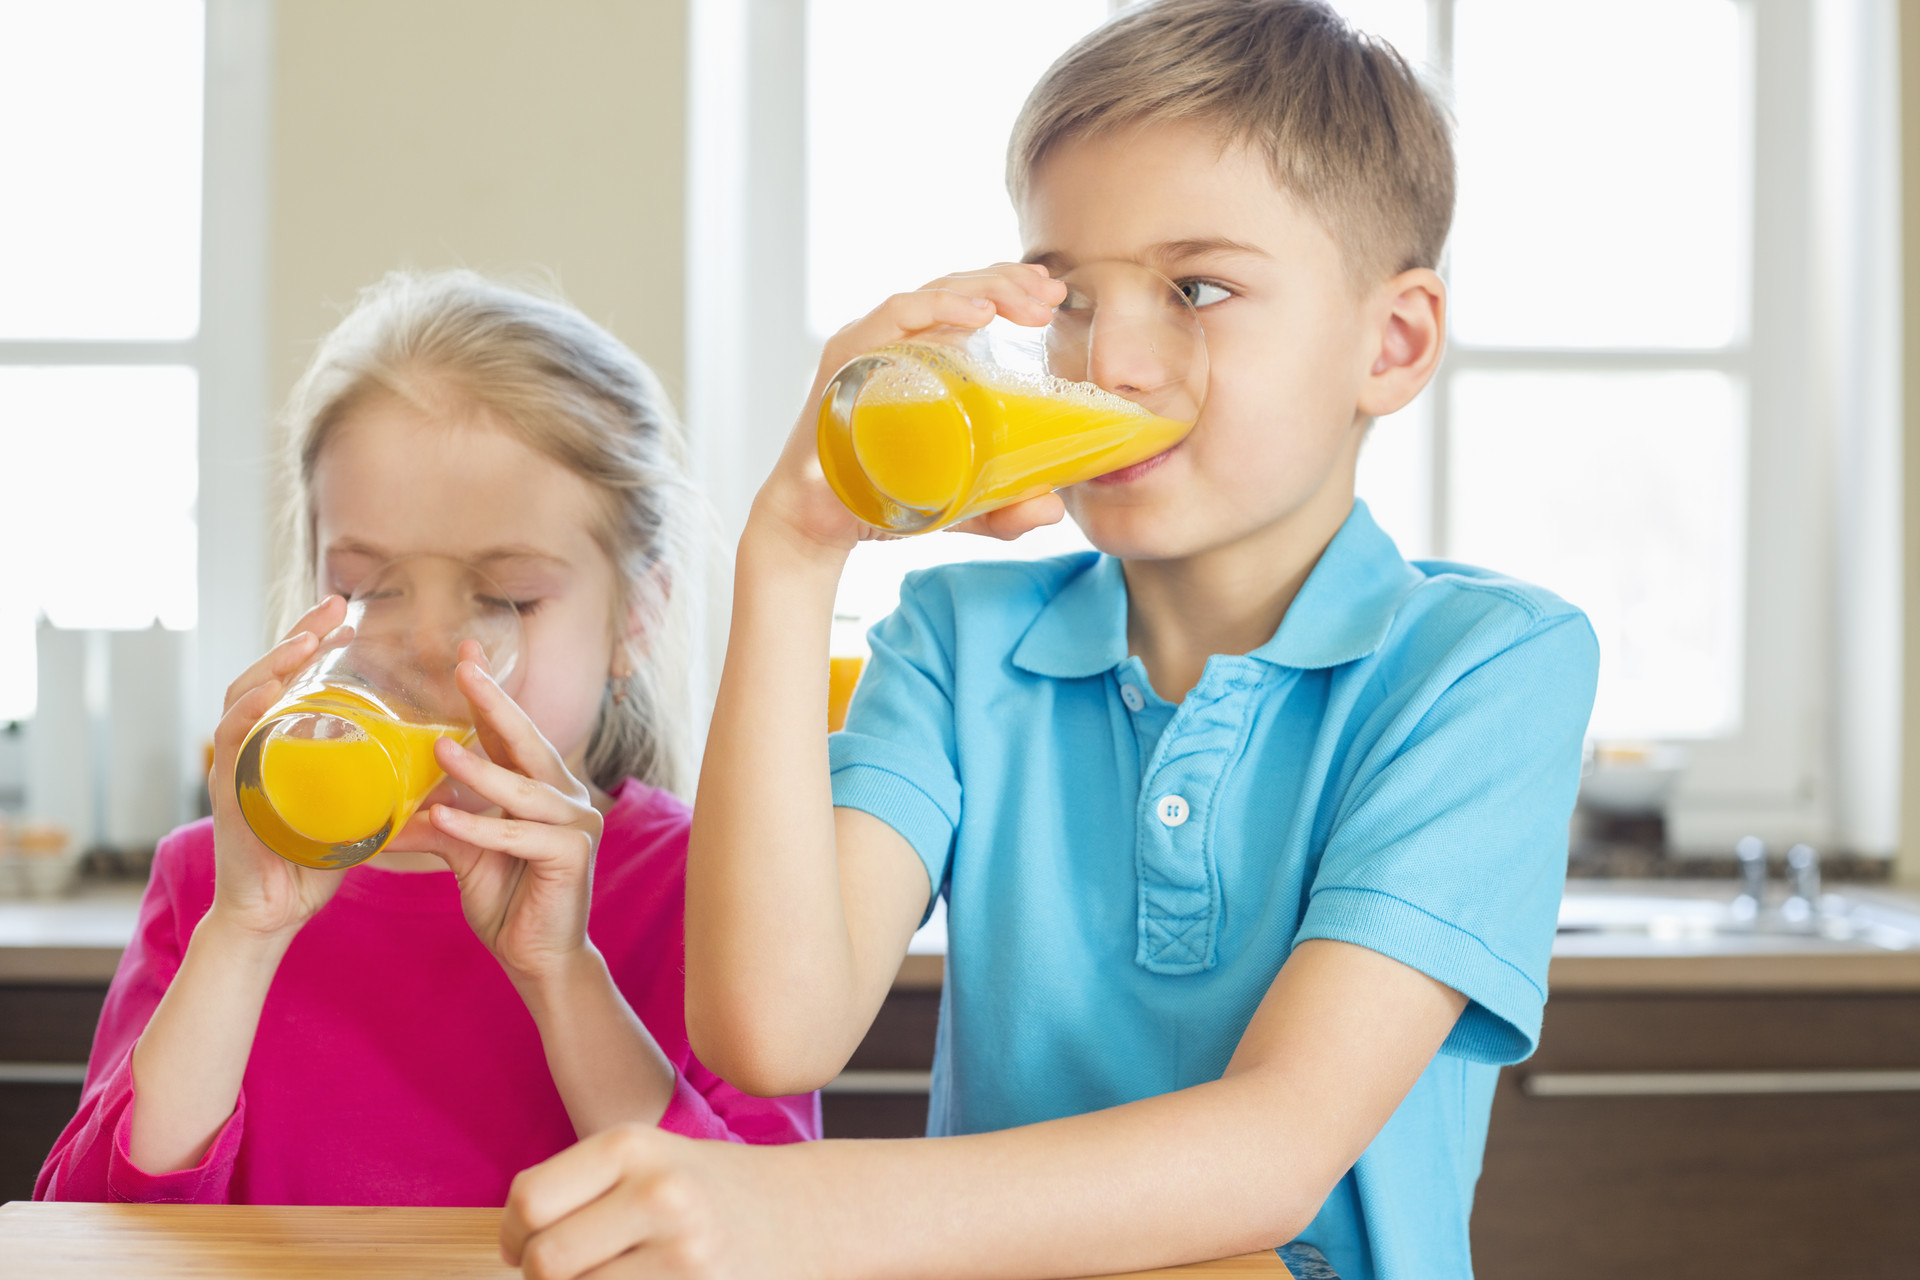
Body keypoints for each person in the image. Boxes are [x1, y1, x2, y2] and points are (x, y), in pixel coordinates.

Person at [503, 2, 1597, 1277]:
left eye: (1197, 288)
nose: (1110, 359)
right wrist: (793, 549)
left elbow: (1272, 1152)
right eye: (1070, 297)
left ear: (1392, 343)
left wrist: (790, 1213)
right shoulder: (958, 642)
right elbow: (771, 1033)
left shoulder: (1485, 665)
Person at [35, 271, 819, 1208]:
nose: (428, 646)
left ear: (637, 617)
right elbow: (92, 1235)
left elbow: (767, 1236)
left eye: (503, 596)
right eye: (370, 589)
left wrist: (564, 975)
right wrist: (239, 941)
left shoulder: (712, 892)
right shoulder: (212, 885)